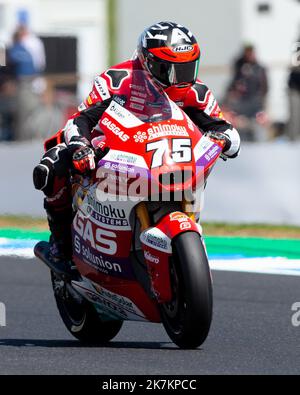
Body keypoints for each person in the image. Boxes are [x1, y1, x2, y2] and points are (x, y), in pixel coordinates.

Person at [33, 21, 241, 263]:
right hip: (111, 150)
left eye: (188, 68)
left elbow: (224, 129)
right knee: (52, 164)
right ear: (149, 63)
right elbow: (81, 119)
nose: (182, 79)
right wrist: (81, 147)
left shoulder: (195, 91)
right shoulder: (117, 80)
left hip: (167, 159)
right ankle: (61, 245)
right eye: (172, 70)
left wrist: (223, 140)